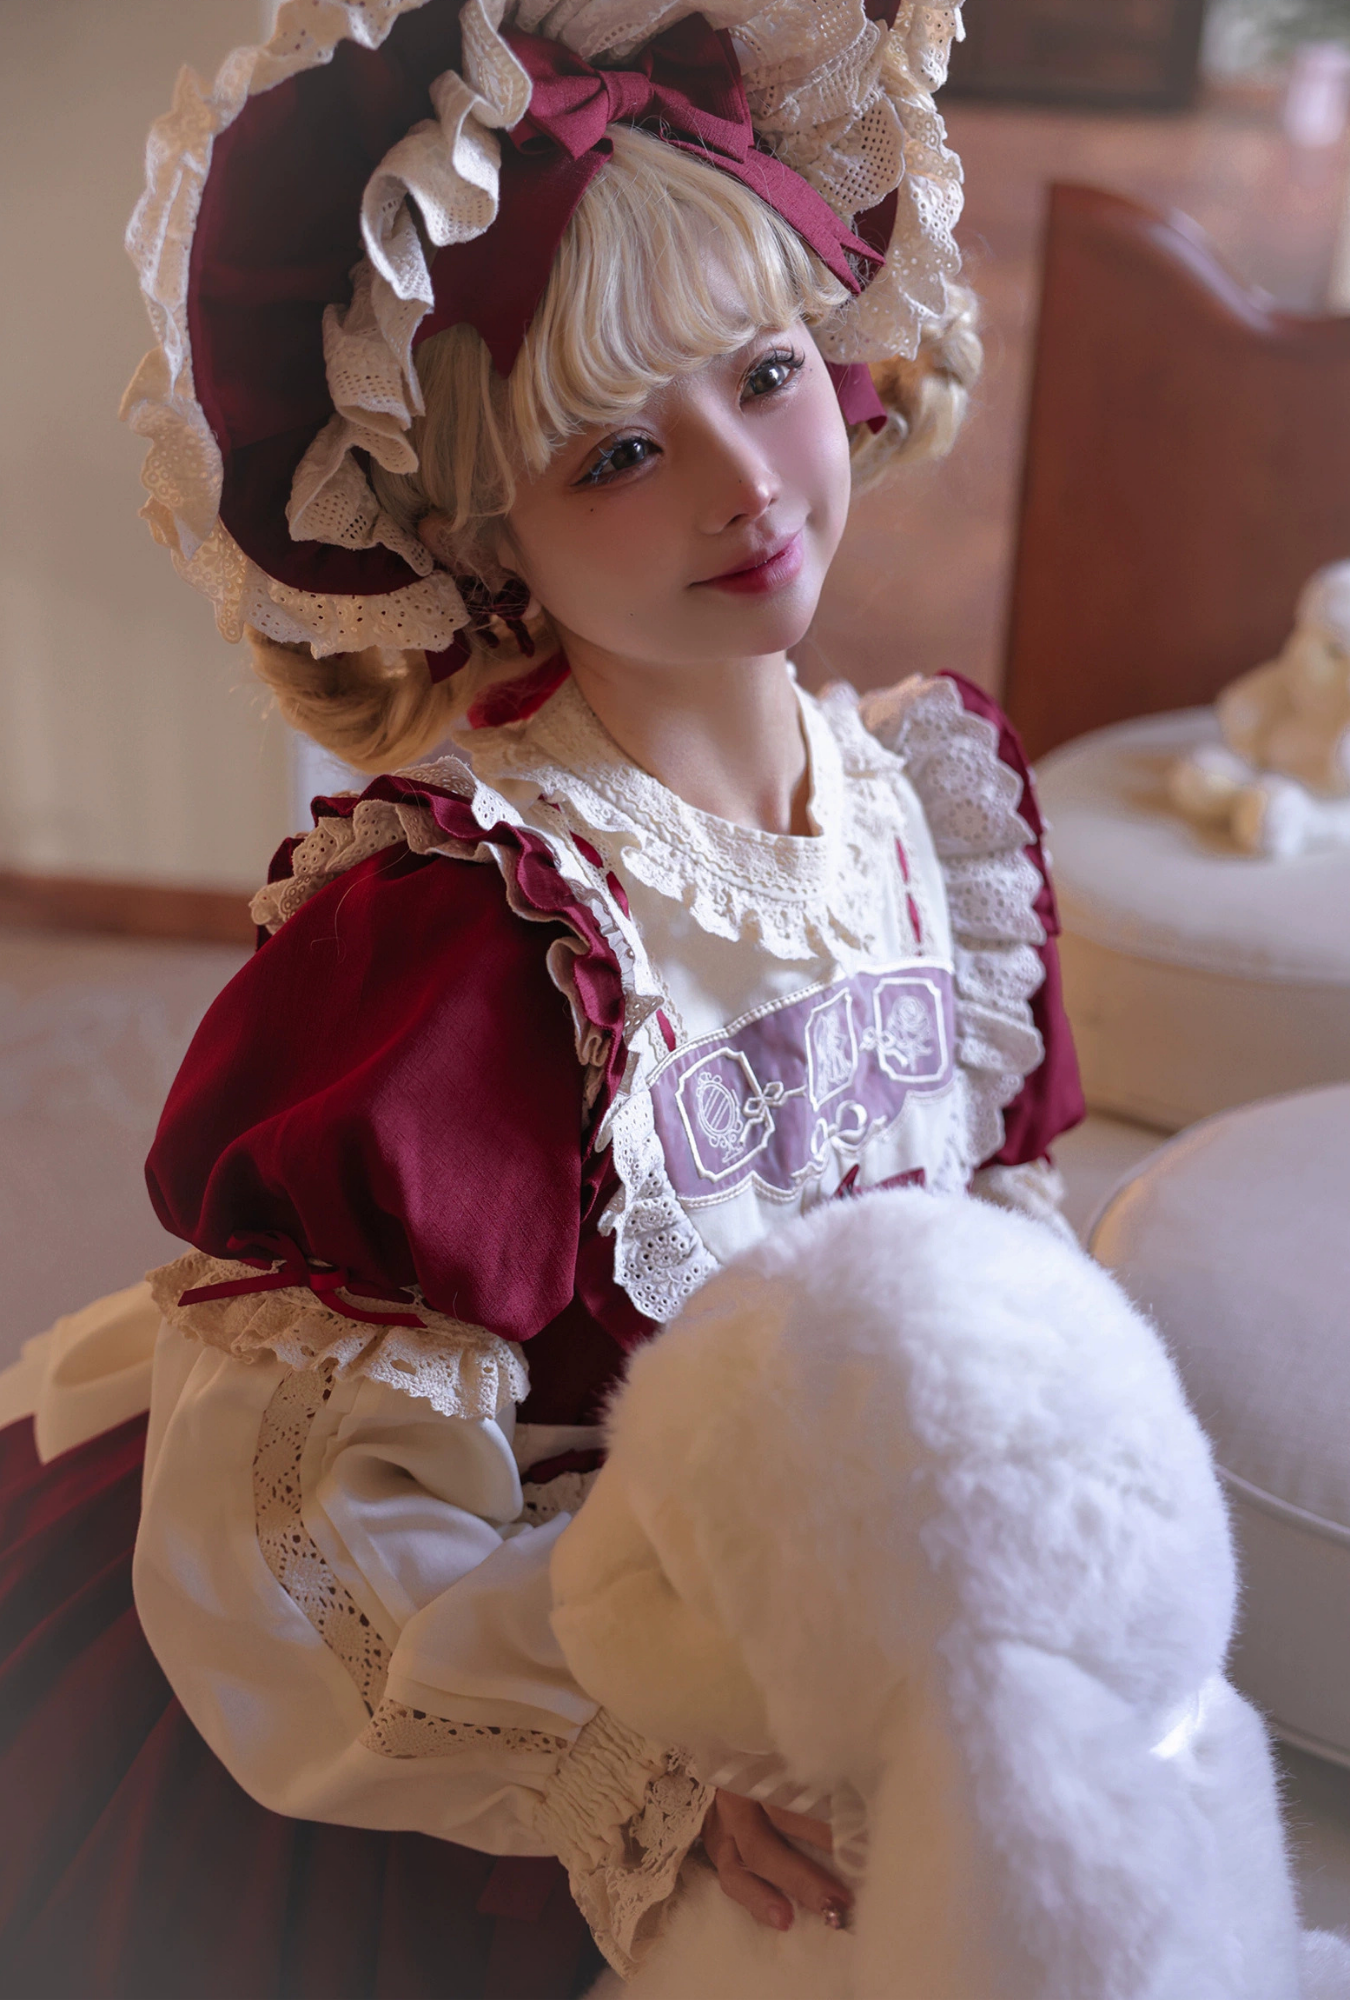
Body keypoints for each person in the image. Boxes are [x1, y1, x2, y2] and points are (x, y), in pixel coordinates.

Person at [0, 4, 1083, 1993]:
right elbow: (309, 1536)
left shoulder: (924, 802)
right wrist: (634, 1744)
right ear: (481, 528)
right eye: (619, 454)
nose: (745, 483)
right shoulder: (465, 931)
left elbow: (992, 1227)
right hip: (523, 1638)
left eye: (768, 373)